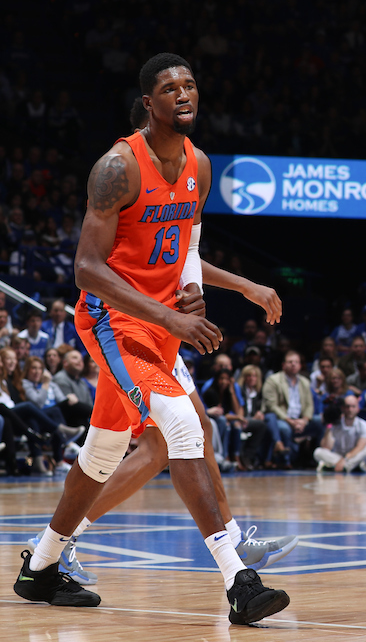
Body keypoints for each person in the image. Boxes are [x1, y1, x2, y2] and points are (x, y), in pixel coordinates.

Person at [14, 53, 289, 624]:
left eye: (190, 84)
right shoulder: (118, 167)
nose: (183, 94)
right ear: (150, 103)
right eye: (170, 88)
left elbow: (184, 250)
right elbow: (87, 269)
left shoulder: (200, 165)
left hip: (159, 326)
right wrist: (171, 319)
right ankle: (240, 581)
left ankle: (39, 568)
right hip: (113, 324)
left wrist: (200, 293)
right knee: (184, 428)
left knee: (104, 452)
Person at [315, 394, 366, 473]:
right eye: (347, 406)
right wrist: (329, 425)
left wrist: (345, 459)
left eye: (353, 406)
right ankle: (353, 467)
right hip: (337, 456)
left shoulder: (364, 425)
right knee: (318, 452)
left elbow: (360, 446)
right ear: (343, 408)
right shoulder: (335, 424)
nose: (350, 409)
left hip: (353, 456)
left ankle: (333, 466)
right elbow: (326, 447)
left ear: (358, 408)